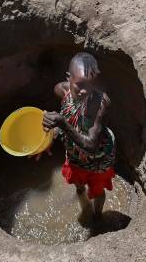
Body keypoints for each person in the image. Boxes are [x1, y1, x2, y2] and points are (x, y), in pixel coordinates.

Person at [42, 52, 115, 220]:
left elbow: (91, 144)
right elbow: (66, 120)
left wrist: (62, 124)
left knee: (97, 190)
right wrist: (48, 137)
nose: (84, 91)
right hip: (75, 155)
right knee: (79, 185)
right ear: (69, 79)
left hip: (98, 158)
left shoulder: (100, 104)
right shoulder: (62, 90)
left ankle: (97, 216)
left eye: (89, 85)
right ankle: (83, 204)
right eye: (79, 85)